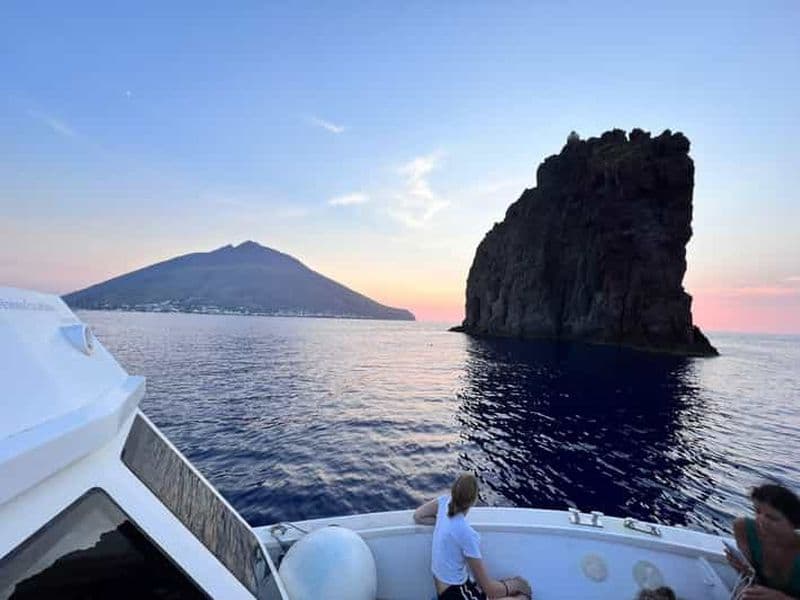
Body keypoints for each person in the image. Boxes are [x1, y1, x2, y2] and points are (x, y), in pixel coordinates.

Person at [413, 473, 532, 599]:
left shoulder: (444, 502)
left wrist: (441, 524)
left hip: (447, 587)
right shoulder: (466, 533)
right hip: (455, 594)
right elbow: (490, 590)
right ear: (474, 500)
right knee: (521, 598)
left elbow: (418, 516)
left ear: (453, 491)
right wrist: (517, 585)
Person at [726, 483, 800, 599]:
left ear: (794, 525)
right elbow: (752, 580)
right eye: (757, 511)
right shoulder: (743, 529)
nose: (760, 520)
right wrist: (743, 569)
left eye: (772, 518)